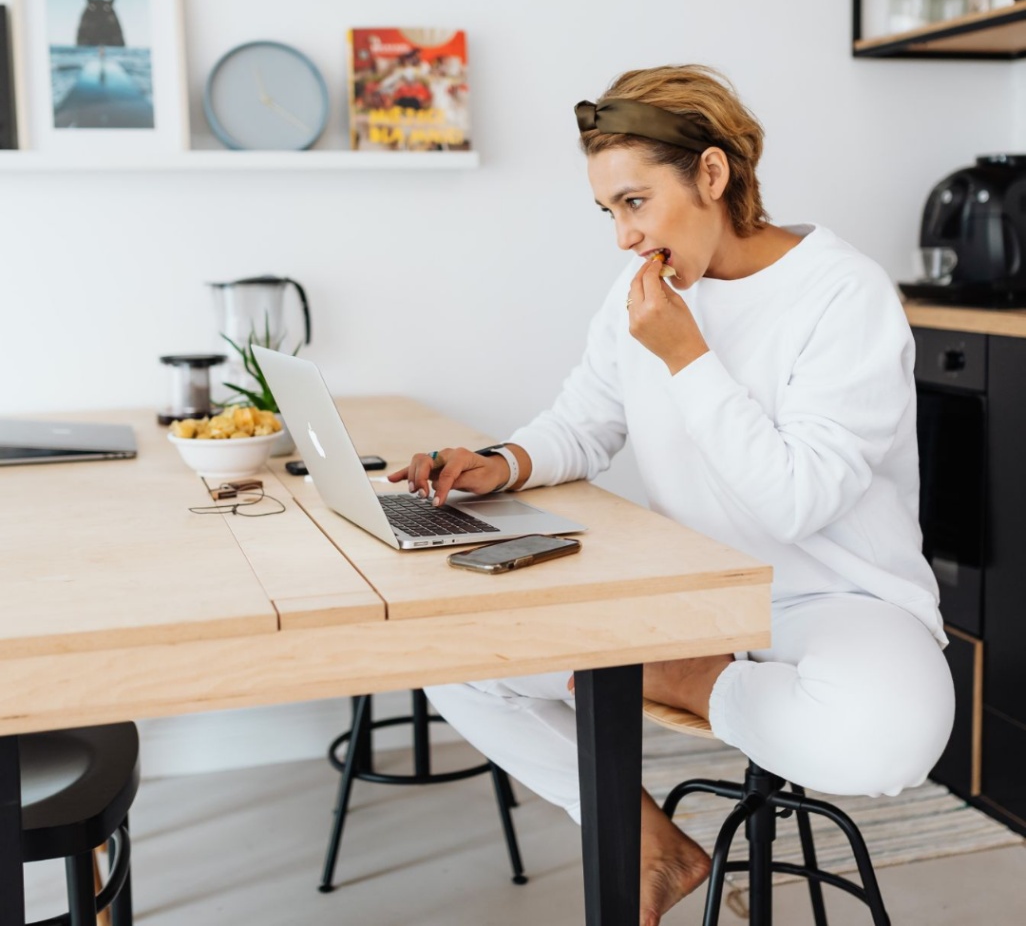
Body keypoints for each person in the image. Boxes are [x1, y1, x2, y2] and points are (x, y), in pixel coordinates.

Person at [387, 65, 955, 926]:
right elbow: (585, 422)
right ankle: (651, 841)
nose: (622, 237)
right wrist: (499, 463)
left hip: (833, 596)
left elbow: (796, 501)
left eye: (634, 202)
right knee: (451, 659)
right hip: (694, 591)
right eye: (609, 211)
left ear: (713, 176)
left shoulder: (842, 293)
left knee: (892, 737)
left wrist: (688, 357)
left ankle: (693, 680)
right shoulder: (638, 296)